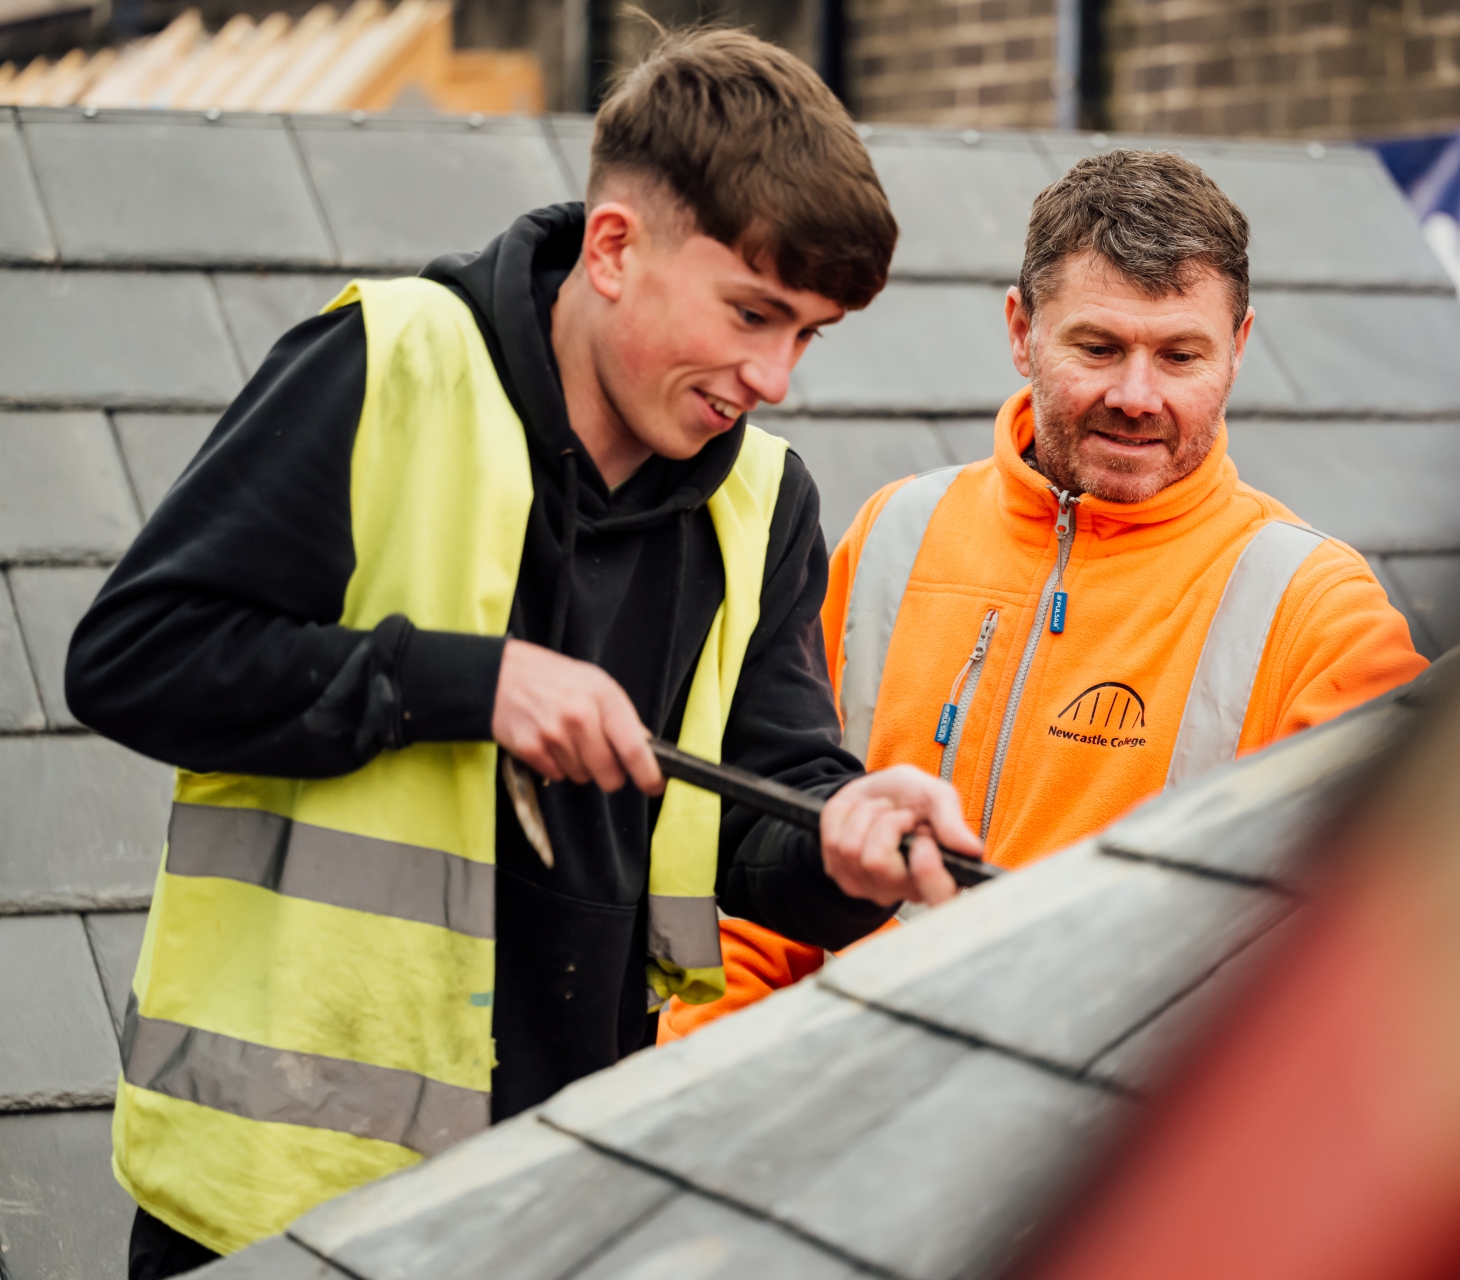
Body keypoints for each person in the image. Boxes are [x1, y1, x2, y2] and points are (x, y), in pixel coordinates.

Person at [66, 29, 980, 1278]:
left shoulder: (765, 502)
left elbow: (764, 813)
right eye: (753, 313)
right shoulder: (388, 364)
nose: (773, 376)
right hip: (278, 1205)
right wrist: (468, 681)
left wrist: (846, 838)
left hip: (550, 1203)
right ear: (614, 248)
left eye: (809, 335)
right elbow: (134, 656)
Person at [660, 148, 1429, 1043]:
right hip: (840, 1120)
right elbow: (769, 875)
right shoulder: (895, 535)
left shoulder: (1318, 616)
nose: (1137, 396)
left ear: (1240, 348)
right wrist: (677, 1086)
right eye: (1098, 348)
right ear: (1022, 331)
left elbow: (1368, 976)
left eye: (1181, 355)